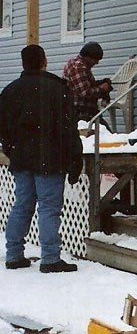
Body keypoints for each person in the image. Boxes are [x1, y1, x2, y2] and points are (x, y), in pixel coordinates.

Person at [0, 45, 82, 273]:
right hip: (50, 157)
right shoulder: (56, 89)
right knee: (48, 207)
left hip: (21, 157)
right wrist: (75, 156)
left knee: (22, 204)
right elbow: (68, 127)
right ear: (44, 61)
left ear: (23, 63)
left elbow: (3, 127)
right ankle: (50, 258)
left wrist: (10, 148)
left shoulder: (10, 91)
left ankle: (14, 254)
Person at [62, 42, 112, 125]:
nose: (96, 63)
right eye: (96, 60)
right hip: (80, 113)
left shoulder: (75, 62)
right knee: (105, 133)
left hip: (81, 110)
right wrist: (102, 88)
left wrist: (100, 83)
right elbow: (85, 93)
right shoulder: (78, 66)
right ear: (88, 57)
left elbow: (85, 84)